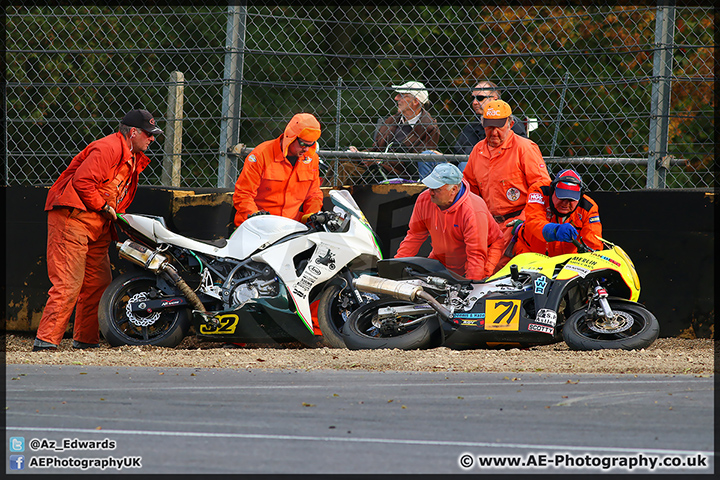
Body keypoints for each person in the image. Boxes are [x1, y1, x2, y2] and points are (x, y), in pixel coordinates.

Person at [33, 109, 163, 351]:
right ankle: (46, 343)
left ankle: (86, 340)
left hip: (97, 223)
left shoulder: (132, 155)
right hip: (72, 219)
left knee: (99, 283)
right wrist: (104, 206)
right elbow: (82, 181)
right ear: (133, 132)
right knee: (68, 283)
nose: (152, 139)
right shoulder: (108, 148)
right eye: (149, 134)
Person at [463, 99, 550, 274]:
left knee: (494, 272)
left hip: (517, 223)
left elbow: (542, 188)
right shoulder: (477, 150)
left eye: (499, 126)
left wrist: (524, 220)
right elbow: (469, 190)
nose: (494, 132)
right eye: (489, 127)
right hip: (488, 224)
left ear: (510, 123)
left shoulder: (524, 148)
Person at [395, 163, 503, 280]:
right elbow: (414, 236)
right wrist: (395, 267)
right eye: (430, 187)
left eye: (437, 189)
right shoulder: (424, 199)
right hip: (444, 257)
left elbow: (476, 255)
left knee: (477, 283)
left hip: (483, 255)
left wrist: (472, 287)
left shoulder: (473, 210)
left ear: (453, 190)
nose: (431, 192)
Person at [233, 113, 324, 227]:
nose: (305, 149)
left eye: (311, 144)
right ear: (291, 136)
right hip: (256, 226)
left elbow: (314, 195)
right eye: (302, 144)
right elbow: (243, 194)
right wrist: (255, 217)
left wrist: (312, 216)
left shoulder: (311, 159)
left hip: (291, 227)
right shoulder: (261, 155)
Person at [348, 81, 440, 183]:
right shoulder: (391, 120)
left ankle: (329, 195)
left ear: (415, 101)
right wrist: (360, 154)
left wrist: (379, 160)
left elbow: (414, 163)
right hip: (376, 166)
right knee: (341, 160)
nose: (396, 98)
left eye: (402, 96)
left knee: (346, 169)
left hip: (395, 173)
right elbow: (376, 148)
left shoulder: (429, 128)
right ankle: (329, 194)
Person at [513, 169, 603, 256]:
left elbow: (593, 245)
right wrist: (555, 230)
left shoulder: (589, 208)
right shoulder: (539, 190)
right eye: (561, 197)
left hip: (566, 261)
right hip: (529, 252)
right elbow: (534, 222)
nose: (565, 204)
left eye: (571, 199)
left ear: (580, 196)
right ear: (553, 190)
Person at [454, 81, 527, 171]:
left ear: (495, 99)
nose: (474, 102)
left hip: (504, 168)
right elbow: (457, 155)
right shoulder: (472, 126)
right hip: (477, 171)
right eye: (472, 98)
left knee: (465, 164)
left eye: (480, 98)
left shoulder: (510, 123)